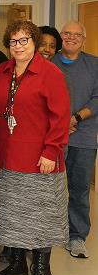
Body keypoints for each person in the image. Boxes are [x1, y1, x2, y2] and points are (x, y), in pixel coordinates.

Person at [0, 20, 70, 275]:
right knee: (11, 213)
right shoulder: (2, 71)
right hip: (8, 156)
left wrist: (51, 150)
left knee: (40, 215)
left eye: (24, 40)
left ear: (35, 42)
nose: (18, 46)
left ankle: (42, 270)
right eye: (13, 41)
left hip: (40, 159)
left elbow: (60, 118)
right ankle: (16, 262)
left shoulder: (50, 73)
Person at [52, 21, 97, 259]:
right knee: (51, 188)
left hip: (84, 137)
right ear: (61, 37)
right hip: (54, 138)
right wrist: (61, 122)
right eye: (66, 33)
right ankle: (50, 233)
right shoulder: (49, 64)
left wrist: (76, 117)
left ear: (84, 38)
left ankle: (77, 237)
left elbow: (97, 98)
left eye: (76, 34)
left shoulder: (94, 65)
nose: (71, 37)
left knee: (79, 189)